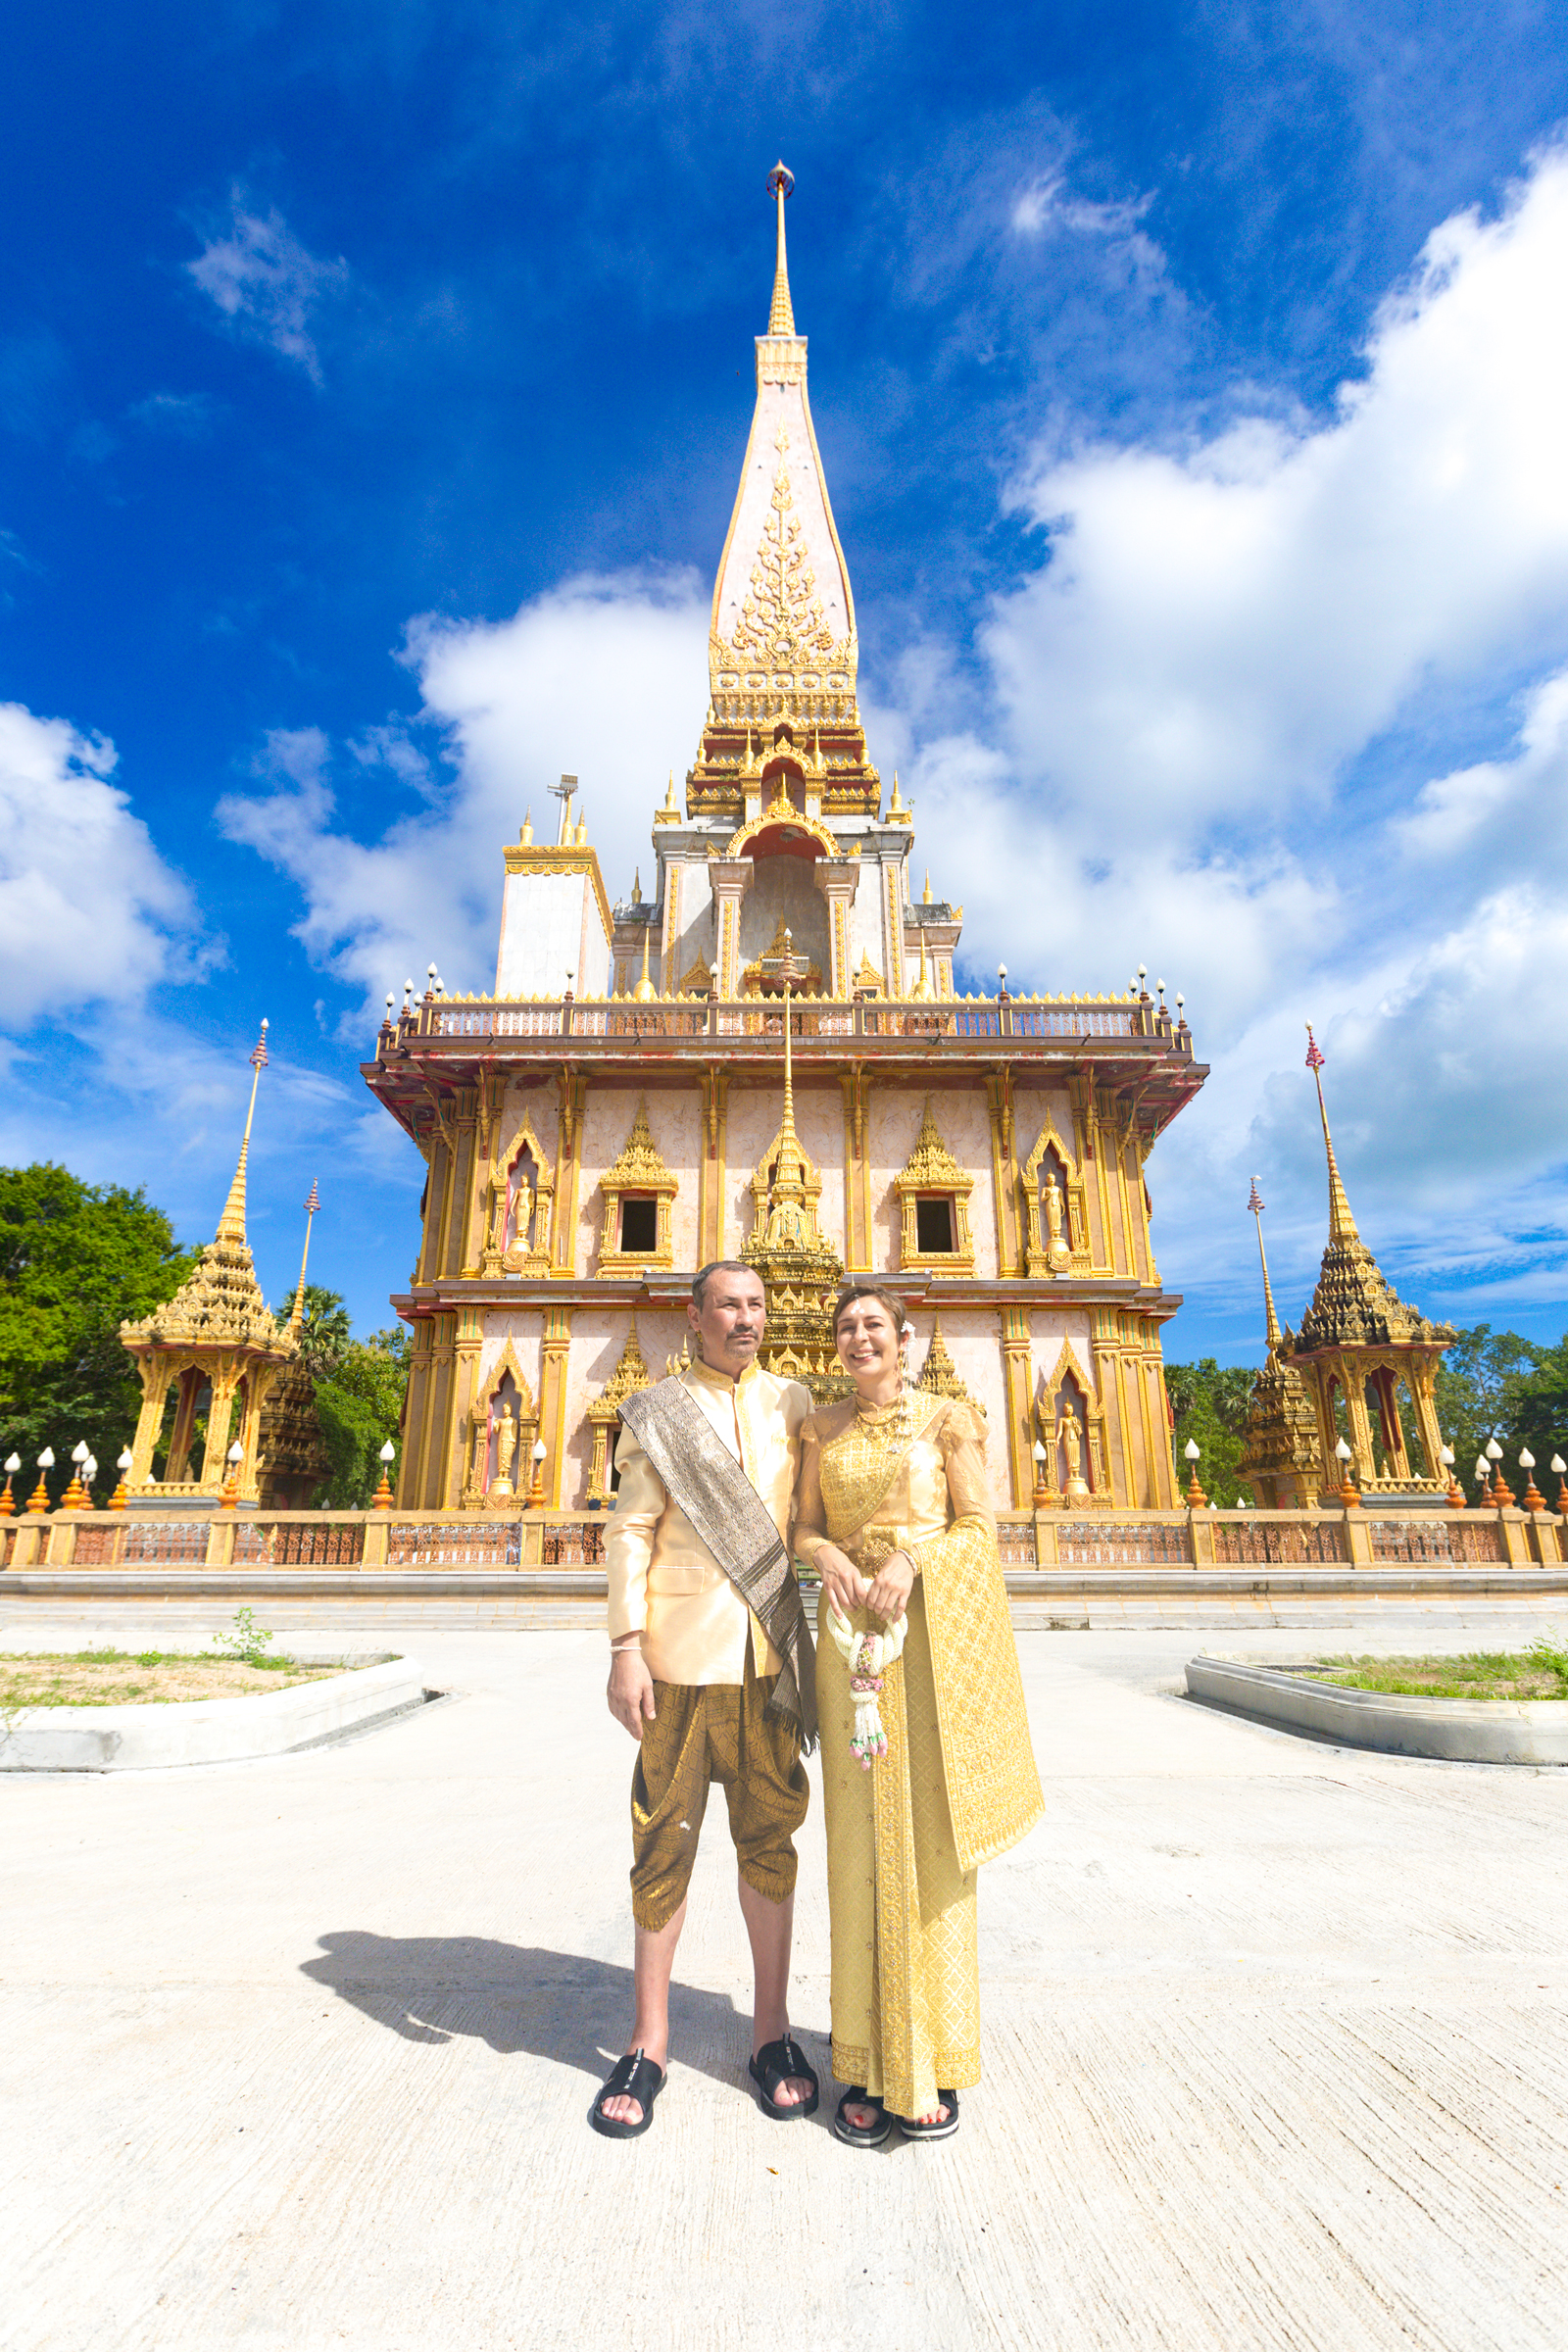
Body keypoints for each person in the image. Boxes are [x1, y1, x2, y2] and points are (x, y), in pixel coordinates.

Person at [794, 1283, 1045, 2146]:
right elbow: (801, 1528)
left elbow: (979, 1527)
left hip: (926, 1639)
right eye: (846, 1329)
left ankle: (929, 2053)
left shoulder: (949, 1420)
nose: (860, 1339)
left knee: (931, 1848)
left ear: (903, 1339)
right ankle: (863, 2060)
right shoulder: (818, 1428)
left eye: (875, 1326)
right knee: (857, 1847)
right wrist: (826, 1553)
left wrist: (912, 1555)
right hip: (847, 1645)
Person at [592, 1260, 819, 2139]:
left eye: (757, 1304)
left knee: (771, 1841)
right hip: (678, 1661)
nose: (746, 1318)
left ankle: (770, 2032)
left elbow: (818, 1516)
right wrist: (624, 1649)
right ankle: (649, 2042)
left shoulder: (794, 1405)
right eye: (728, 1304)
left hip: (770, 1662)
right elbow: (630, 1531)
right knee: (664, 1843)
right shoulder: (658, 1409)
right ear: (695, 1316)